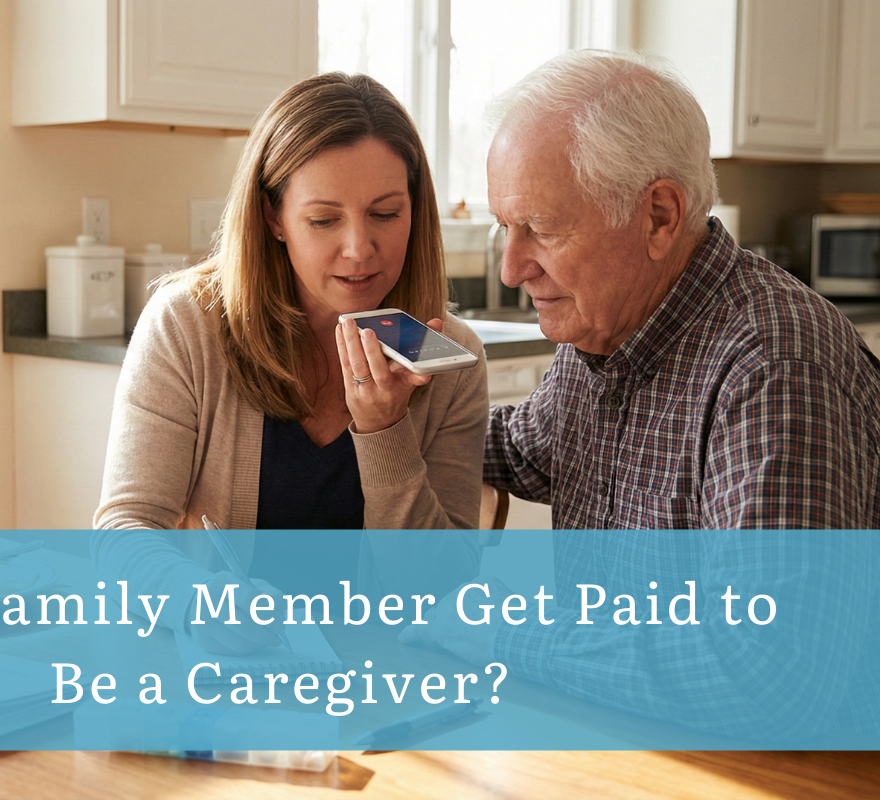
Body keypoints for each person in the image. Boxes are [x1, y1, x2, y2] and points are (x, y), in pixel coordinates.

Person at [402, 50, 880, 740]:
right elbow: (526, 448)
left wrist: (499, 628)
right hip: (634, 737)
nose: (511, 268)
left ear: (658, 214)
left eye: (541, 227)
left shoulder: (776, 364)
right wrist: (383, 403)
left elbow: (769, 674)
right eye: (506, 228)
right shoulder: (607, 328)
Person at [93, 73, 488, 652]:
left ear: (416, 211)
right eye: (324, 219)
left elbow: (443, 595)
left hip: (386, 684)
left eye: (385, 214)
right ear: (275, 217)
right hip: (221, 679)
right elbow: (123, 533)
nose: (359, 248)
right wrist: (202, 605)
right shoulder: (188, 325)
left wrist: (384, 431)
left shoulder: (448, 357)